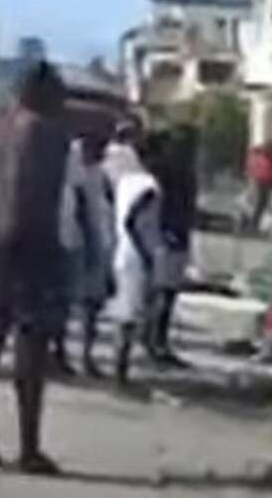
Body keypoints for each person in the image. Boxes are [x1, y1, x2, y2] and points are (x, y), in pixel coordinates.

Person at [0, 61, 71, 475]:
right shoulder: (47, 132)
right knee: (31, 353)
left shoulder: (5, 126)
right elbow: (36, 197)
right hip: (29, 248)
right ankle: (28, 447)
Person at [51, 129, 115, 378]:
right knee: (63, 302)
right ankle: (60, 353)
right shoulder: (72, 162)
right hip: (74, 241)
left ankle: (81, 355)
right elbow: (83, 208)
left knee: (88, 304)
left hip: (88, 240)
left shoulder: (96, 169)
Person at [111, 131, 165, 387]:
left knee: (126, 313)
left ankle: (120, 367)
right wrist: (147, 254)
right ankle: (120, 371)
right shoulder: (149, 186)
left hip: (122, 251)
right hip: (136, 255)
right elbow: (133, 219)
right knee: (131, 314)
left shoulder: (125, 181)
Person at [146, 124, 197, 367]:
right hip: (167, 234)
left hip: (178, 234)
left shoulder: (184, 170)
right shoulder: (164, 170)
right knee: (162, 293)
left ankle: (157, 340)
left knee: (168, 292)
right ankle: (154, 341)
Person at [246, 141, 272, 233]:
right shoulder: (267, 157)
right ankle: (254, 224)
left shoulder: (269, 157)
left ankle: (255, 224)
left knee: (263, 203)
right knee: (261, 203)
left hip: (265, 181)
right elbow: (271, 169)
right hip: (263, 181)